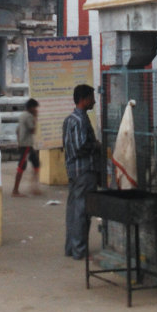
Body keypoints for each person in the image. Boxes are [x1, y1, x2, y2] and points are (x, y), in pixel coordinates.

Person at [63, 84, 101, 260]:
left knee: (73, 209)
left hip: (73, 170)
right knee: (81, 211)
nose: (94, 101)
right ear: (84, 99)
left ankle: (71, 247)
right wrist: (96, 146)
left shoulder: (70, 119)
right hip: (84, 170)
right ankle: (79, 249)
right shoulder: (80, 120)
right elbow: (80, 147)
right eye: (92, 98)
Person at [11, 98, 41, 197]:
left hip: (24, 144)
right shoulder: (29, 116)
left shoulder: (22, 115)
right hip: (26, 144)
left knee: (36, 164)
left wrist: (19, 142)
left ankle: (34, 188)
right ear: (31, 107)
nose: (36, 109)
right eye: (35, 108)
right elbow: (33, 130)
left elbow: (17, 130)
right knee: (21, 166)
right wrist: (36, 118)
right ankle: (15, 190)